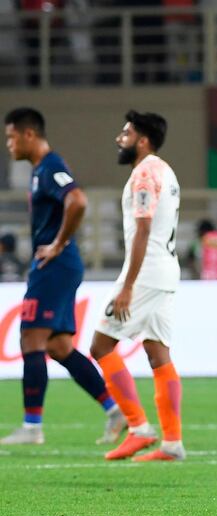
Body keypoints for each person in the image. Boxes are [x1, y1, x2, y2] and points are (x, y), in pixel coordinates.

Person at [1, 107, 125, 445]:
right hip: (60, 264)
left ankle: (32, 427)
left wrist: (57, 243)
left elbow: (78, 200)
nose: (8, 144)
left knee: (31, 339)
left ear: (29, 134)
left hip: (55, 264)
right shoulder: (40, 170)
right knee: (58, 346)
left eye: (11, 136)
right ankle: (115, 411)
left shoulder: (51, 165)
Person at [90, 110, 185, 461]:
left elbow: (143, 229)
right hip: (165, 270)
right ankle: (172, 443)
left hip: (145, 273)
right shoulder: (167, 171)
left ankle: (138, 428)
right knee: (158, 353)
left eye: (126, 133)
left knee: (100, 346)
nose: (120, 138)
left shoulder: (144, 173)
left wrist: (127, 286)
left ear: (142, 140)